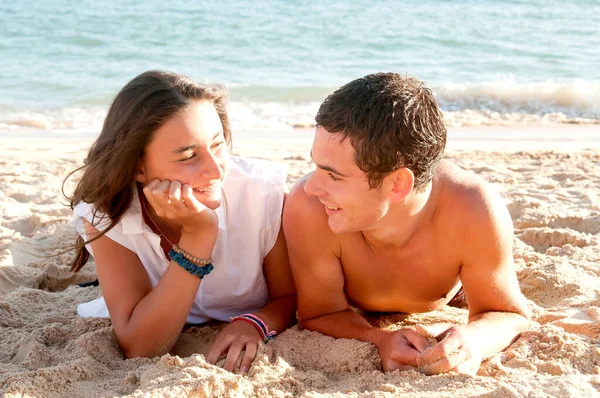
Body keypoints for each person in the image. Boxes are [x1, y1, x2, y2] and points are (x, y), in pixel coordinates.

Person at [283, 73, 530, 375]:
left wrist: (473, 340)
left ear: (398, 184)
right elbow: (319, 313)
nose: (311, 187)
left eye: (334, 176)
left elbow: (508, 313)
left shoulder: (473, 210)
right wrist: (379, 338)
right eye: (316, 166)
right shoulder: (308, 208)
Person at [67, 70, 296, 373]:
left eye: (217, 145)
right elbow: (141, 347)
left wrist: (256, 323)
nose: (214, 171)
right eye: (189, 155)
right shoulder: (106, 216)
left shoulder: (263, 197)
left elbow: (292, 298)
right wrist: (199, 235)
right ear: (138, 167)